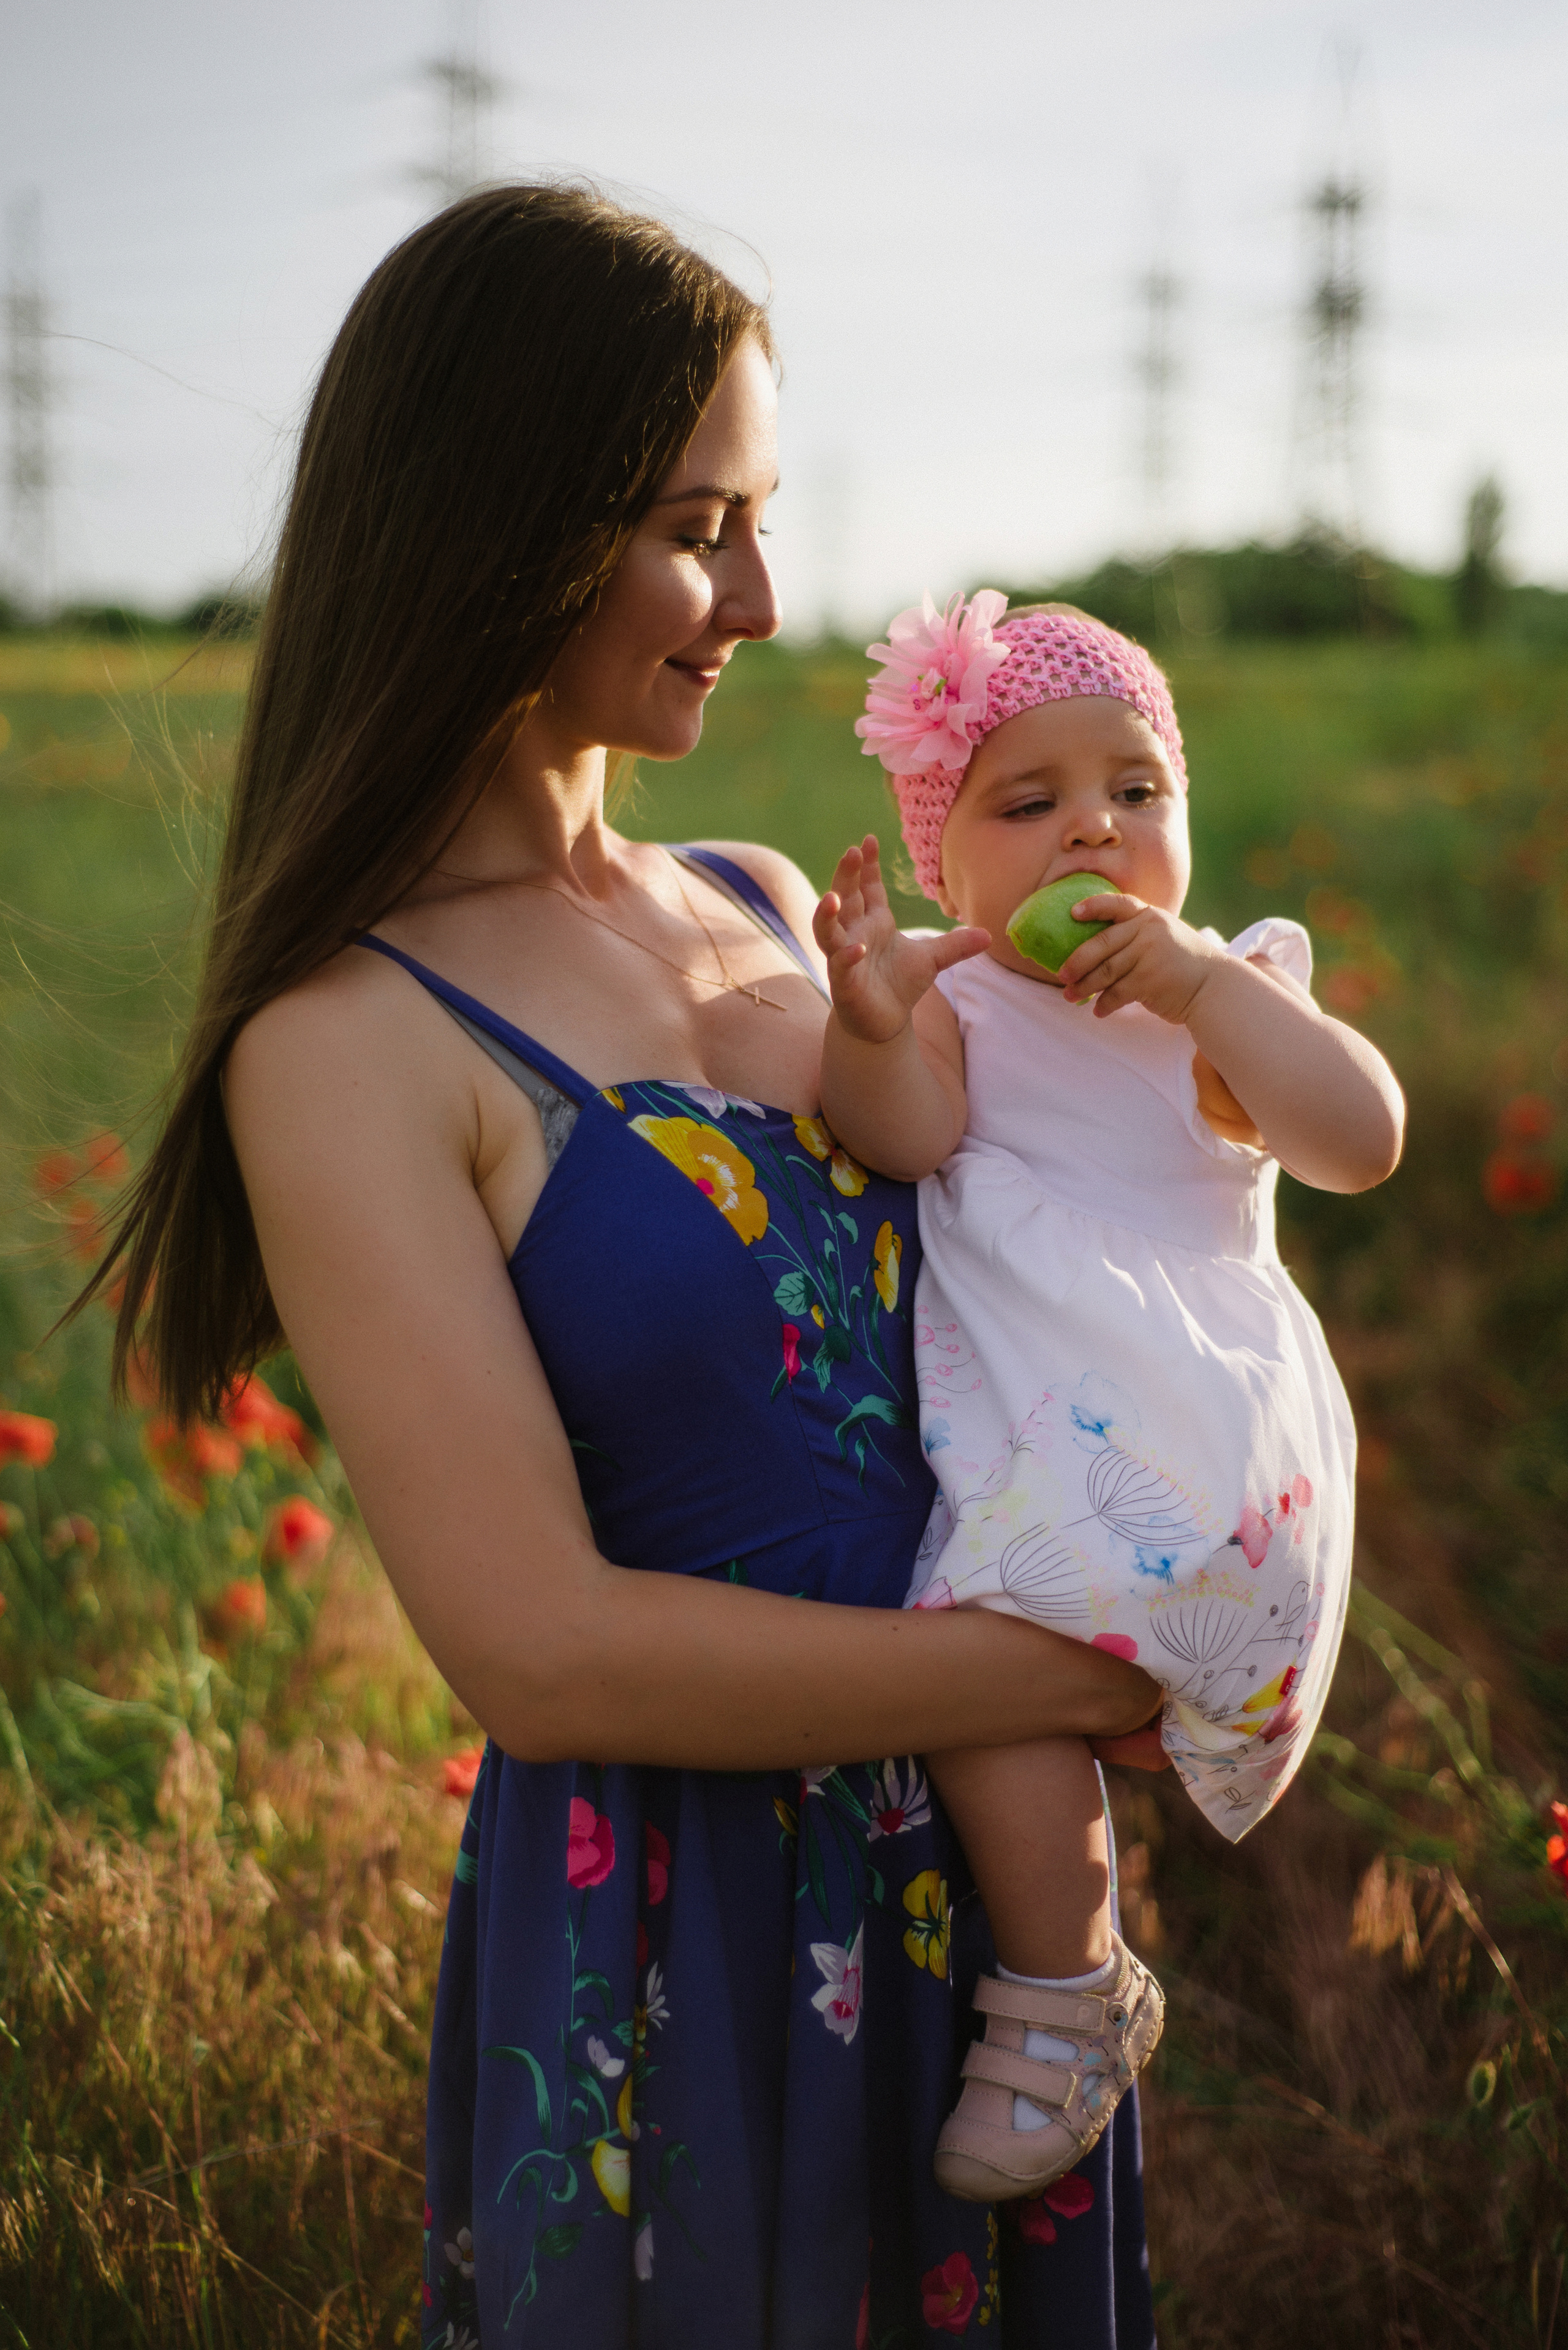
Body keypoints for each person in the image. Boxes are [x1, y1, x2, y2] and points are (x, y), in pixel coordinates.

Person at [85, 194, 1161, 2344]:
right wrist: (1065, 1679)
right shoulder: (351, 1038)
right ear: (507, 521)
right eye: (698, 531)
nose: (759, 598)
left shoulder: (765, 900)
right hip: (689, 1944)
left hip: (989, 1915)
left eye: (758, 523)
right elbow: (544, 1653)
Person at [813, 594, 1404, 2205]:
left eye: (1137, 790)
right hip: (1053, 1449)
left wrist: (1211, 992)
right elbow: (901, 1135)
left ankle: (1064, 1987)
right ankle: (1069, 1984)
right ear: (947, 873)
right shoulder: (962, 1004)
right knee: (983, 1679)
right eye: (1030, 802)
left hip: (1205, 1441)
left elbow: (1361, 1141)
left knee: (980, 1658)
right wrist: (868, 1020)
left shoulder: (1223, 998)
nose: (1094, 827)